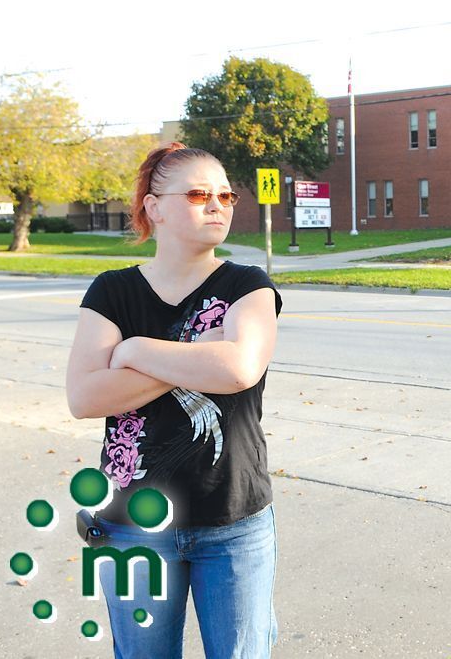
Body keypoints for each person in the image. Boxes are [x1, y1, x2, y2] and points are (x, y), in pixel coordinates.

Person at [66, 142, 282, 659]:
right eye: (198, 194)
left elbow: (237, 369)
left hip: (233, 519)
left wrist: (136, 351)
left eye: (226, 195)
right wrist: (195, 353)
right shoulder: (112, 291)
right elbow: (85, 395)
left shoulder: (248, 286)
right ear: (153, 207)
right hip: (132, 525)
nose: (219, 205)